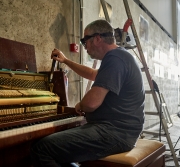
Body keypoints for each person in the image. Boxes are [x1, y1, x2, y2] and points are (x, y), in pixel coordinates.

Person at [31, 19, 145, 167]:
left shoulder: (115, 59)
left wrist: (80, 105)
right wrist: (65, 61)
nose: (84, 46)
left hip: (114, 133)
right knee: (58, 150)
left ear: (98, 38)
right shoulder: (119, 56)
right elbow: (92, 74)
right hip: (119, 131)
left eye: (85, 41)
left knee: (41, 149)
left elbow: (91, 104)